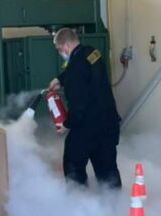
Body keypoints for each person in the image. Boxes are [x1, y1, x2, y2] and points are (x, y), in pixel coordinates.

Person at [49, 28, 122, 189]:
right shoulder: (92, 53)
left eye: (59, 49)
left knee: (73, 165)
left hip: (87, 127)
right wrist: (60, 79)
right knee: (107, 171)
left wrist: (67, 124)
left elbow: (77, 105)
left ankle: (78, 199)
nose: (60, 53)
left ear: (66, 46)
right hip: (108, 124)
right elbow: (83, 71)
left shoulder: (75, 68)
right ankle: (114, 201)